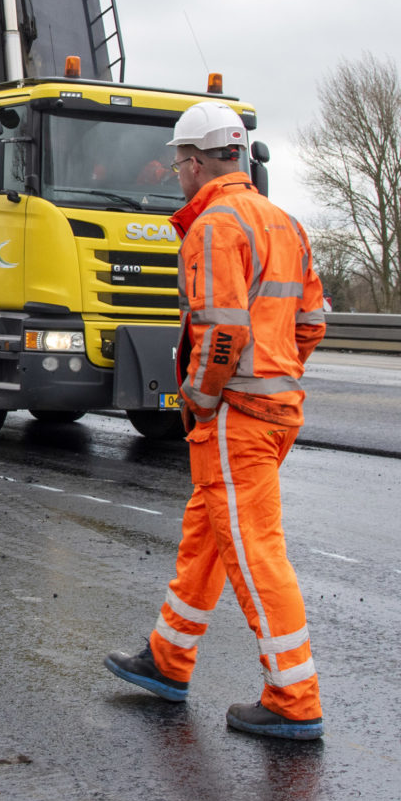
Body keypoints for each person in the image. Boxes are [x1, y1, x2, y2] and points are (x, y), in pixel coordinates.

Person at [104, 100, 330, 741]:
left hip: (238, 414)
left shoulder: (213, 224)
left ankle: (295, 697)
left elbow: (221, 330)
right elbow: (312, 322)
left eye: (178, 163)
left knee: (255, 552)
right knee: (207, 533)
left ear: (197, 161)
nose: (176, 173)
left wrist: (199, 399)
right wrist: (279, 370)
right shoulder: (284, 223)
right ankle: (167, 660)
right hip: (275, 407)